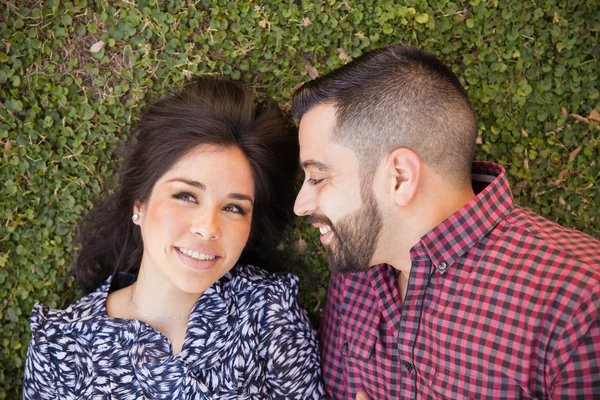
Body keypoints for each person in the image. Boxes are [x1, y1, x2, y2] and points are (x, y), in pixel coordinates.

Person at [291, 45, 600, 399]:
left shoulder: (582, 300)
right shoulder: (356, 263)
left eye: (318, 177)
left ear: (400, 177)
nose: (301, 205)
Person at [23, 77, 325, 399]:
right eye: (185, 196)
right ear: (139, 204)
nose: (208, 227)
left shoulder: (267, 312)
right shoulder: (60, 347)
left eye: (234, 207)